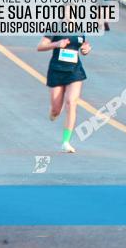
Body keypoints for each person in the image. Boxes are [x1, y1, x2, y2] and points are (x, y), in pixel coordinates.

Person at [38, 13, 91, 153]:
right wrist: (57, 44)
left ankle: (65, 142)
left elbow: (83, 44)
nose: (69, 16)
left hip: (74, 71)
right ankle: (54, 112)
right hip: (57, 70)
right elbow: (40, 46)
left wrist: (86, 49)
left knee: (71, 102)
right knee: (56, 109)